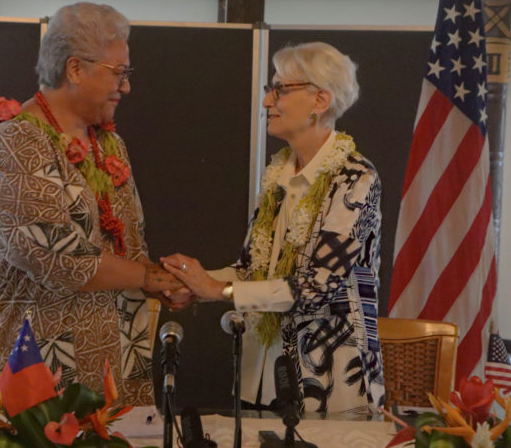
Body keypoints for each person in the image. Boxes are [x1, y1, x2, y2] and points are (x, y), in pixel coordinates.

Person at [0, 3, 190, 407]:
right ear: (75, 69)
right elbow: (58, 257)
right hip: (30, 377)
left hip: (108, 375)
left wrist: (160, 281)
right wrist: (149, 277)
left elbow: (124, 245)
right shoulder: (17, 143)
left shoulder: (109, 144)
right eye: (118, 73)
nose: (125, 87)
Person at [162, 42, 385, 414]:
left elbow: (317, 288)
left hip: (330, 390)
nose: (267, 101)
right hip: (260, 378)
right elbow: (251, 271)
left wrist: (218, 289)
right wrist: (193, 283)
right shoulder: (280, 173)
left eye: (280, 89)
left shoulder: (355, 177)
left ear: (320, 100)